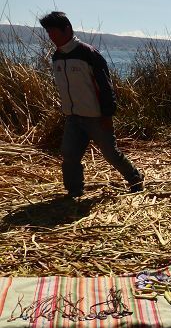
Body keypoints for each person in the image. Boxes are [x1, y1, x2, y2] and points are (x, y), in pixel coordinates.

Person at [38, 11, 143, 199]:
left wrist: (107, 115)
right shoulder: (57, 57)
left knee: (111, 154)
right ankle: (74, 191)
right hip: (73, 117)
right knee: (69, 154)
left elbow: (105, 86)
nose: (51, 36)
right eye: (48, 33)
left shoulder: (88, 54)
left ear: (67, 29)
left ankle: (135, 178)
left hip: (96, 117)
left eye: (53, 32)